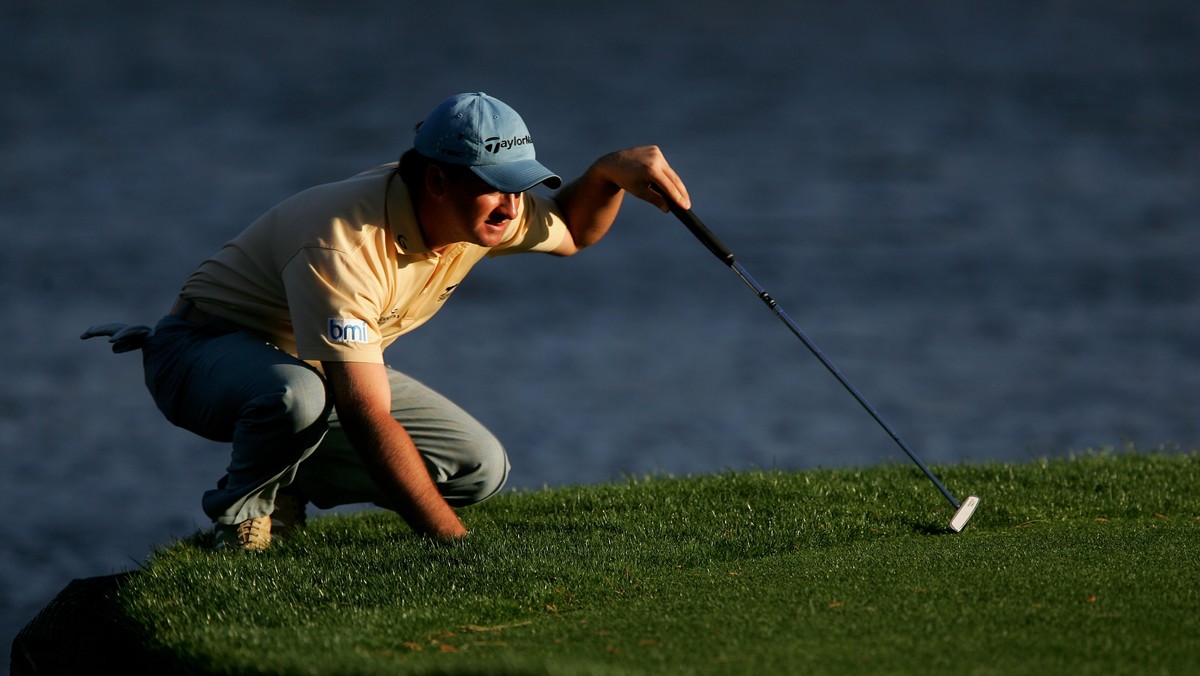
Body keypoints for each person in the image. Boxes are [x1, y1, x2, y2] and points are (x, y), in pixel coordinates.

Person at [82, 92, 691, 550]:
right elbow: (366, 413)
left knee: (479, 466)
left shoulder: (482, 214)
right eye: (497, 187)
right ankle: (242, 523)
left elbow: (576, 230)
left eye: (520, 187)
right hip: (200, 352)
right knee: (298, 395)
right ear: (435, 181)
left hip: (311, 363)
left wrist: (610, 171)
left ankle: (290, 480)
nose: (512, 205)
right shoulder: (344, 243)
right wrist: (455, 547)